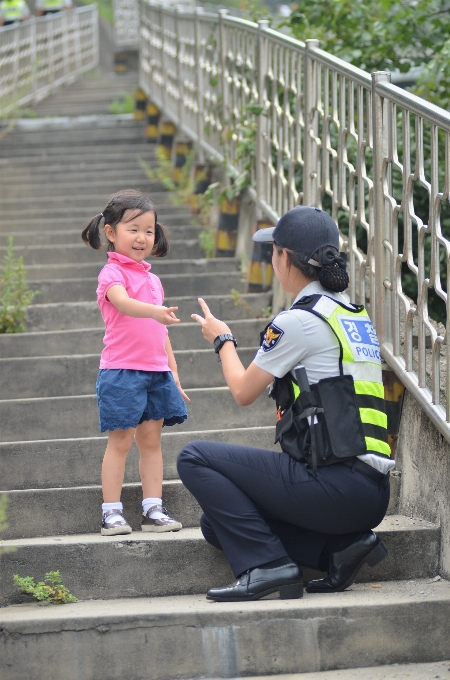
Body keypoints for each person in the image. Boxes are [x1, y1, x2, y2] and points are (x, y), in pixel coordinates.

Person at [177, 205, 394, 602]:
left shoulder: (297, 321)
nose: (270, 258)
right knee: (217, 523)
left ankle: (267, 566)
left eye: (272, 251)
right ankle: (339, 551)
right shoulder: (352, 315)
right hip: (373, 493)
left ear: (284, 258)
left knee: (194, 458)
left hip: (337, 487)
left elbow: (243, 391)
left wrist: (222, 339)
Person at [82, 189, 189, 536]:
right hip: (122, 371)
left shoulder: (153, 280)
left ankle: (152, 508)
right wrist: (156, 311)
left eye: (149, 229)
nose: (143, 237)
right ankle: (111, 512)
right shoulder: (112, 275)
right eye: (134, 229)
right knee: (121, 441)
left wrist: (172, 371)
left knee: (151, 441)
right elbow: (124, 304)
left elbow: (161, 333)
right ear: (110, 232)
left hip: (156, 372)